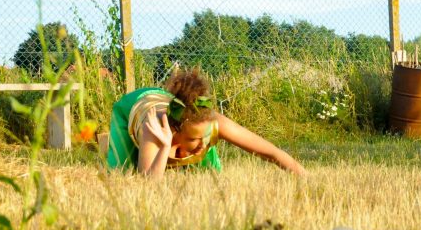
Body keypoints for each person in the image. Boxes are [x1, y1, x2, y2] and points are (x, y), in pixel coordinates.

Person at [106, 67, 305, 178]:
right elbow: (147, 185)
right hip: (130, 112)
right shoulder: (153, 128)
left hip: (175, 116)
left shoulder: (209, 121)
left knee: (210, 178)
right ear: (176, 129)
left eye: (207, 135)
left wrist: (306, 179)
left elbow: (271, 152)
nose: (204, 144)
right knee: (121, 174)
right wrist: (165, 146)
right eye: (195, 138)